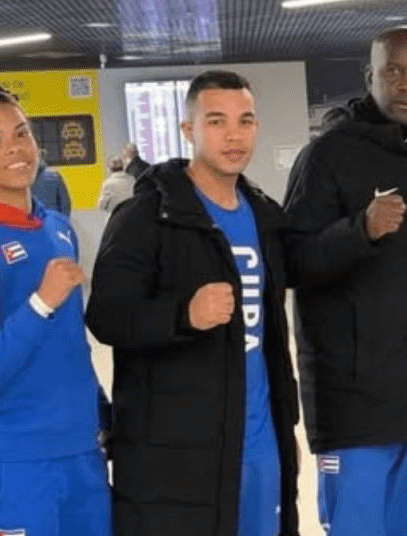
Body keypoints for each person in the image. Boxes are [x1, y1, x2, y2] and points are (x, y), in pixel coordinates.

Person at [86, 70, 300, 536]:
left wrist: (285, 431)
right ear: (188, 130)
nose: (234, 135)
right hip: (179, 455)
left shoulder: (263, 214)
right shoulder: (145, 217)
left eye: (245, 121)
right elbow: (106, 316)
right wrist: (182, 314)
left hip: (260, 444)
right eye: (217, 121)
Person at [282, 25, 407, 536]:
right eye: (393, 72)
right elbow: (293, 260)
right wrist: (358, 230)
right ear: (369, 77)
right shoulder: (328, 155)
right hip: (355, 407)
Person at [0, 82, 110, 536]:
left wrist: (100, 412)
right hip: (10, 466)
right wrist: (39, 303)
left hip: (79, 457)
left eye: (21, 134)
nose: (15, 149)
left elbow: (69, 345)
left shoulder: (56, 228)